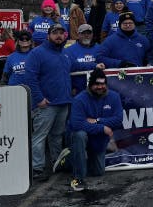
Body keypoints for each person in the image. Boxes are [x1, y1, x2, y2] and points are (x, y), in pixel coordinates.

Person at [22, 22, 73, 180]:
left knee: (57, 136)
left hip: (63, 102)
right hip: (46, 104)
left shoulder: (64, 54)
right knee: (39, 137)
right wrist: (39, 99)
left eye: (61, 33)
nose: (58, 35)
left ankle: (56, 162)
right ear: (48, 35)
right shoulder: (37, 53)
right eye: (55, 32)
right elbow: (30, 77)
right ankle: (37, 168)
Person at [65, 69, 123, 191]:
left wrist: (97, 121)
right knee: (79, 135)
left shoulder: (114, 96)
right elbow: (77, 124)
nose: (100, 87)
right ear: (90, 85)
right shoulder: (80, 99)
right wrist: (103, 128)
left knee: (98, 172)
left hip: (98, 139)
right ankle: (78, 178)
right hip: (82, 137)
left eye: (103, 84)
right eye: (97, 84)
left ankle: (68, 161)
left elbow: (118, 120)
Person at [64, 24, 105, 93]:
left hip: (98, 89)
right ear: (78, 35)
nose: (86, 35)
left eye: (89, 33)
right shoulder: (69, 50)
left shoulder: (100, 48)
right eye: (83, 33)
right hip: (78, 91)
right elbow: (70, 66)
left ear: (92, 34)